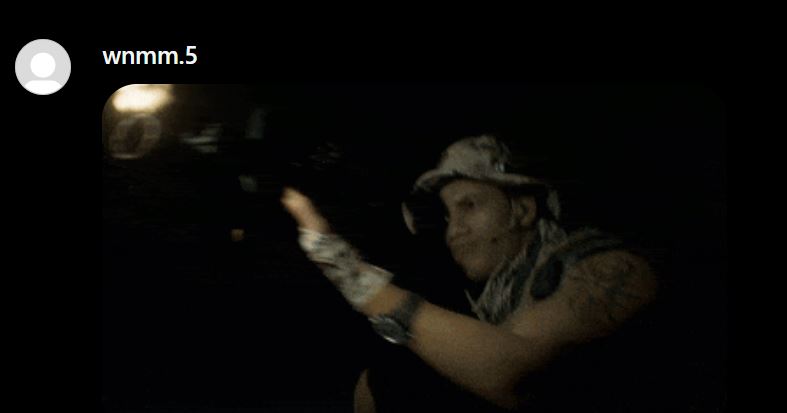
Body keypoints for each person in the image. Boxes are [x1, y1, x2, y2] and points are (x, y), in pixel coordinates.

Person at [281, 134, 659, 412]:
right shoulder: (502, 289)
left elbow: (512, 372)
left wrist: (351, 275)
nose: (454, 230)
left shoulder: (611, 267)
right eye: (448, 215)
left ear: (523, 211)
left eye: (470, 206)